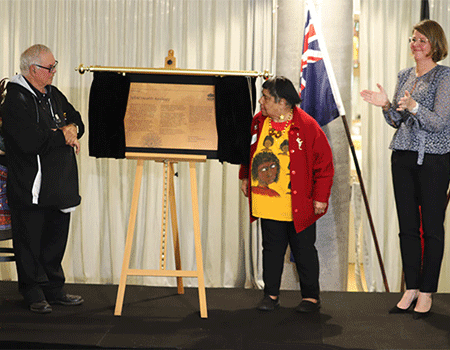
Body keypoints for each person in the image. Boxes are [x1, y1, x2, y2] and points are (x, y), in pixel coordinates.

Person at [360, 19, 450, 319]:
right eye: (413, 40)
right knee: (408, 228)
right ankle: (411, 287)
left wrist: (413, 107)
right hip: (402, 156)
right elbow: (396, 123)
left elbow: (439, 123)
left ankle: (427, 291)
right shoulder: (404, 75)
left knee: (433, 230)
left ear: (435, 45)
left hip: (434, 160)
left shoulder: (445, 77)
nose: (415, 45)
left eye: (422, 41)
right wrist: (386, 105)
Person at [0, 44, 85, 314]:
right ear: (33, 70)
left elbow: (77, 121)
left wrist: (70, 128)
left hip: (59, 185)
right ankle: (33, 291)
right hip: (30, 187)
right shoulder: (15, 101)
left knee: (55, 240)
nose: (54, 71)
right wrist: (62, 135)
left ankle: (54, 289)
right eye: (50, 67)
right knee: (30, 242)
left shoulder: (53, 95)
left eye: (54, 65)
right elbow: (29, 141)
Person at [239, 76, 334, 312]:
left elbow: (324, 164)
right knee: (271, 250)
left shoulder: (307, 125)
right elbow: (248, 151)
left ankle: (311, 297)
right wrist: (244, 176)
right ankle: (270, 295)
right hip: (268, 199)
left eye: (266, 97)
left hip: (298, 202)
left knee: (303, 250)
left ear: (283, 102)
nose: (261, 101)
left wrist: (321, 197)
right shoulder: (258, 122)